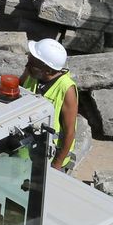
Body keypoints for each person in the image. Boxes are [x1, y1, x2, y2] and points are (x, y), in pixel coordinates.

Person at [21, 38, 78, 172]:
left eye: (32, 63)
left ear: (47, 70)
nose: (27, 65)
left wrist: (56, 166)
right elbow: (19, 87)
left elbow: (70, 132)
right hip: (28, 146)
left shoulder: (66, 89)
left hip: (49, 155)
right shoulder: (32, 73)